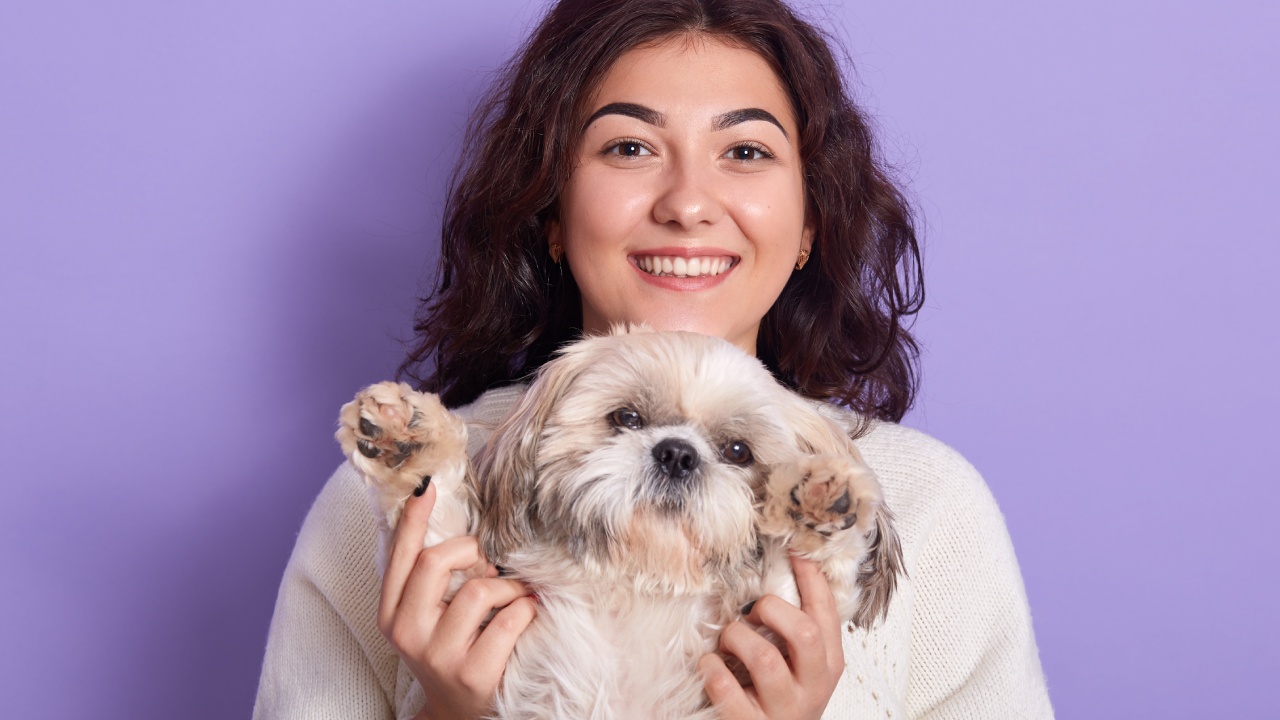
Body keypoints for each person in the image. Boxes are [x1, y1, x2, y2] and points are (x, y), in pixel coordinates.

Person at [254, 0, 1054, 718]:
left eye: (744, 152)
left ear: (809, 222)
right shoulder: (369, 518)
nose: (688, 204)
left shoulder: (934, 507)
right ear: (551, 214)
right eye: (630, 147)